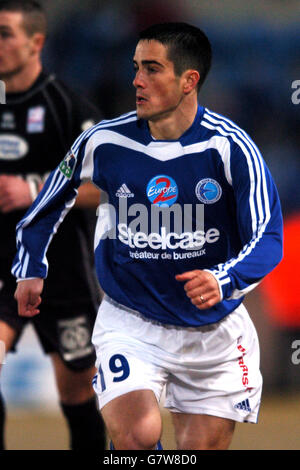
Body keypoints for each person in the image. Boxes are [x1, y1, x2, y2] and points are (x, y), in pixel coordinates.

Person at [12, 22, 283, 450]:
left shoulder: (231, 148)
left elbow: (268, 237)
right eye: (136, 67)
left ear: (189, 80)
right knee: (136, 436)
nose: (137, 80)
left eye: (152, 69)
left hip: (214, 332)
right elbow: (49, 200)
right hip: (130, 320)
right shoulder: (104, 141)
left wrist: (222, 279)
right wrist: (30, 268)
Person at [0, 0, 106, 451]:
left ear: (35, 42)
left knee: (77, 393)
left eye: (5, 33)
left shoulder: (67, 107)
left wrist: (33, 191)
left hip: (59, 273)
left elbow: (106, 186)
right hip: (3, 266)